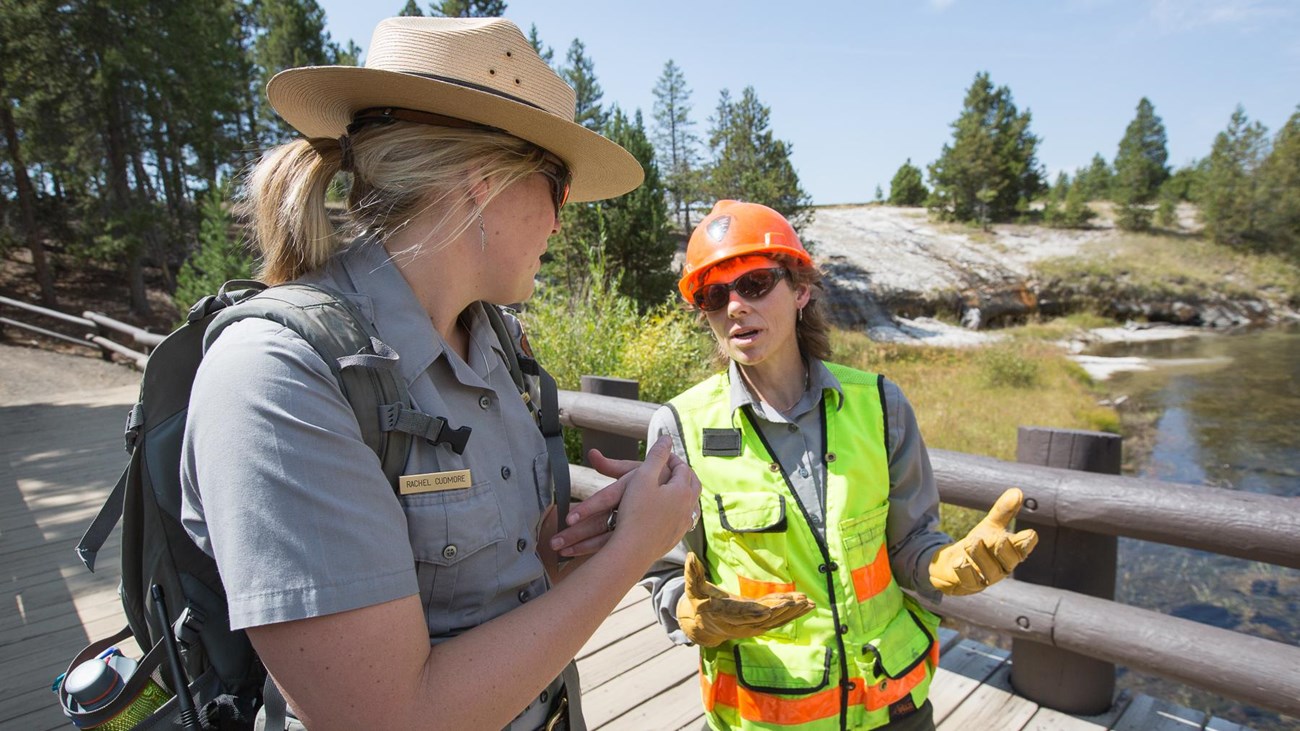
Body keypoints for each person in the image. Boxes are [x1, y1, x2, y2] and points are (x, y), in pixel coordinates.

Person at [179, 17, 700, 731]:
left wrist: (586, 542)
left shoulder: (496, 345)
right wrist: (638, 550)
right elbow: (389, 715)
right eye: (559, 186)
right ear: (484, 184)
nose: (561, 223)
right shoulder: (275, 377)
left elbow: (508, 590)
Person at [639, 200, 1038, 730]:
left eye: (755, 284)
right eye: (714, 295)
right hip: (768, 715)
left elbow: (911, 544)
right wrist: (692, 617)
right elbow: (664, 570)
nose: (734, 306)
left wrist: (946, 565)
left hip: (892, 705)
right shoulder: (678, 429)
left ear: (801, 290)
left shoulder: (880, 404)